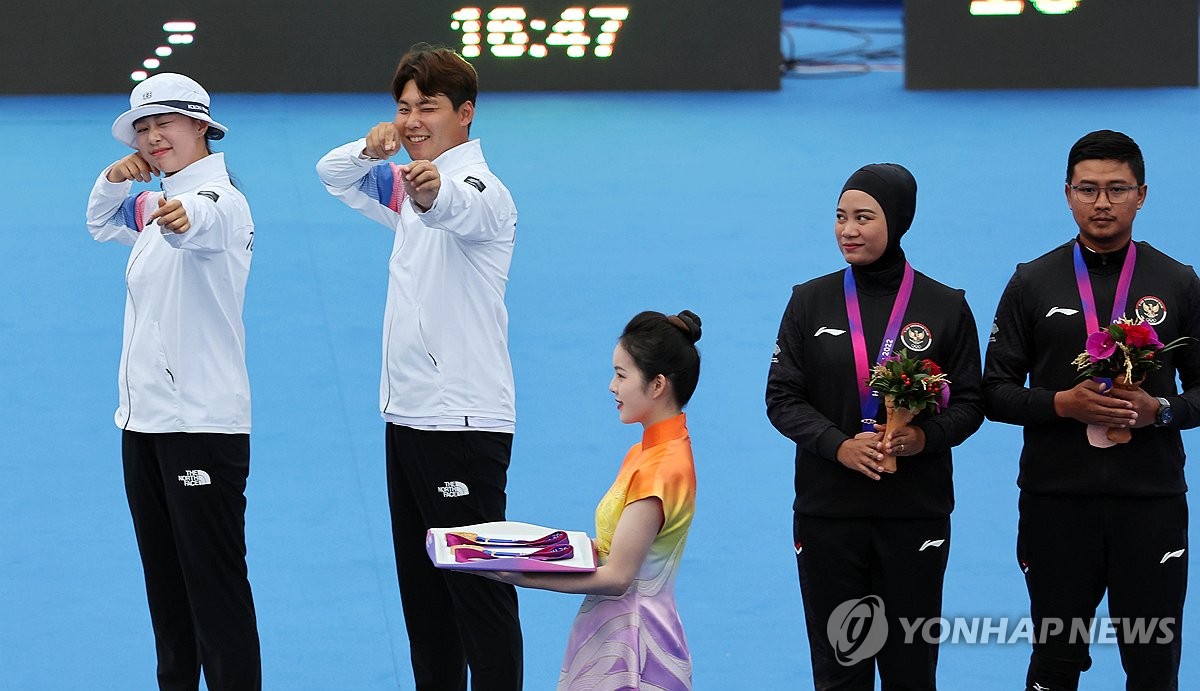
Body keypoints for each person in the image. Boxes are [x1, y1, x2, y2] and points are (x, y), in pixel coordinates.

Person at [315, 43, 522, 690]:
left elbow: (455, 202)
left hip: (461, 424)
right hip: (406, 417)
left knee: (479, 599)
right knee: (425, 604)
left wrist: (429, 187)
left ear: (465, 113)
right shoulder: (406, 185)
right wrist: (370, 151)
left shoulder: (480, 189)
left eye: (426, 107)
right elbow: (332, 174)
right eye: (403, 108)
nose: (411, 121)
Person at [983, 129, 1200, 691]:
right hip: (1057, 502)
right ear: (1068, 194)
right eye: (1088, 189)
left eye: (1116, 188)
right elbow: (994, 391)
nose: (1102, 202)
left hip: (1150, 504)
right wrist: (1063, 403)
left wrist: (1162, 411)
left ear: (1142, 195)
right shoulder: (1032, 282)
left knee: (1153, 665)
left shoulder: (1177, 282)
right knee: (1054, 663)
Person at [766, 164, 984, 689]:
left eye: (864, 217)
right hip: (829, 515)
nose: (849, 230)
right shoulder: (809, 301)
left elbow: (972, 402)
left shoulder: (944, 306)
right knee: (840, 671)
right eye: (840, 217)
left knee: (911, 672)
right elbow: (782, 397)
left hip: (914, 514)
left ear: (899, 220)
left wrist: (921, 438)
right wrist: (838, 446)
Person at [84, 72, 260, 690]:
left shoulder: (218, 201)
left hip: (200, 429)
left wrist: (180, 214)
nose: (154, 137)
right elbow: (99, 221)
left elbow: (199, 219)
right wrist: (114, 177)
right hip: (145, 425)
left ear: (202, 127)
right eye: (144, 127)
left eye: (167, 124)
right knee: (167, 596)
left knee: (216, 597)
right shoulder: (159, 199)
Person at [482, 310, 701, 690]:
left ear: (657, 385)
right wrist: (534, 547)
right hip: (614, 629)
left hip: (633, 646)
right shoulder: (647, 453)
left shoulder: (660, 470)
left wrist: (523, 576)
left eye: (621, 375)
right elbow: (610, 548)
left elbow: (617, 577)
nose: (612, 387)